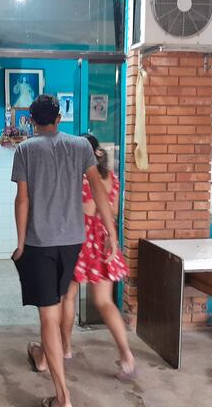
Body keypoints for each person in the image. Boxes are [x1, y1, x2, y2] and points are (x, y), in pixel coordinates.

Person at [11, 95, 118, 407]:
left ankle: (63, 398)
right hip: (73, 241)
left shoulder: (25, 149)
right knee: (58, 304)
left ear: (31, 120)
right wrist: (111, 232)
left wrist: (20, 243)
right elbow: (98, 187)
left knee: (48, 316)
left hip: (39, 243)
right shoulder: (80, 146)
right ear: (59, 119)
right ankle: (44, 354)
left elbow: (23, 200)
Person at [63, 134, 136, 380]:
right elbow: (113, 211)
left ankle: (65, 350)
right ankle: (126, 355)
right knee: (105, 302)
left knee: (68, 298)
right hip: (104, 240)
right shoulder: (111, 179)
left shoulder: (77, 179)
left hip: (78, 240)